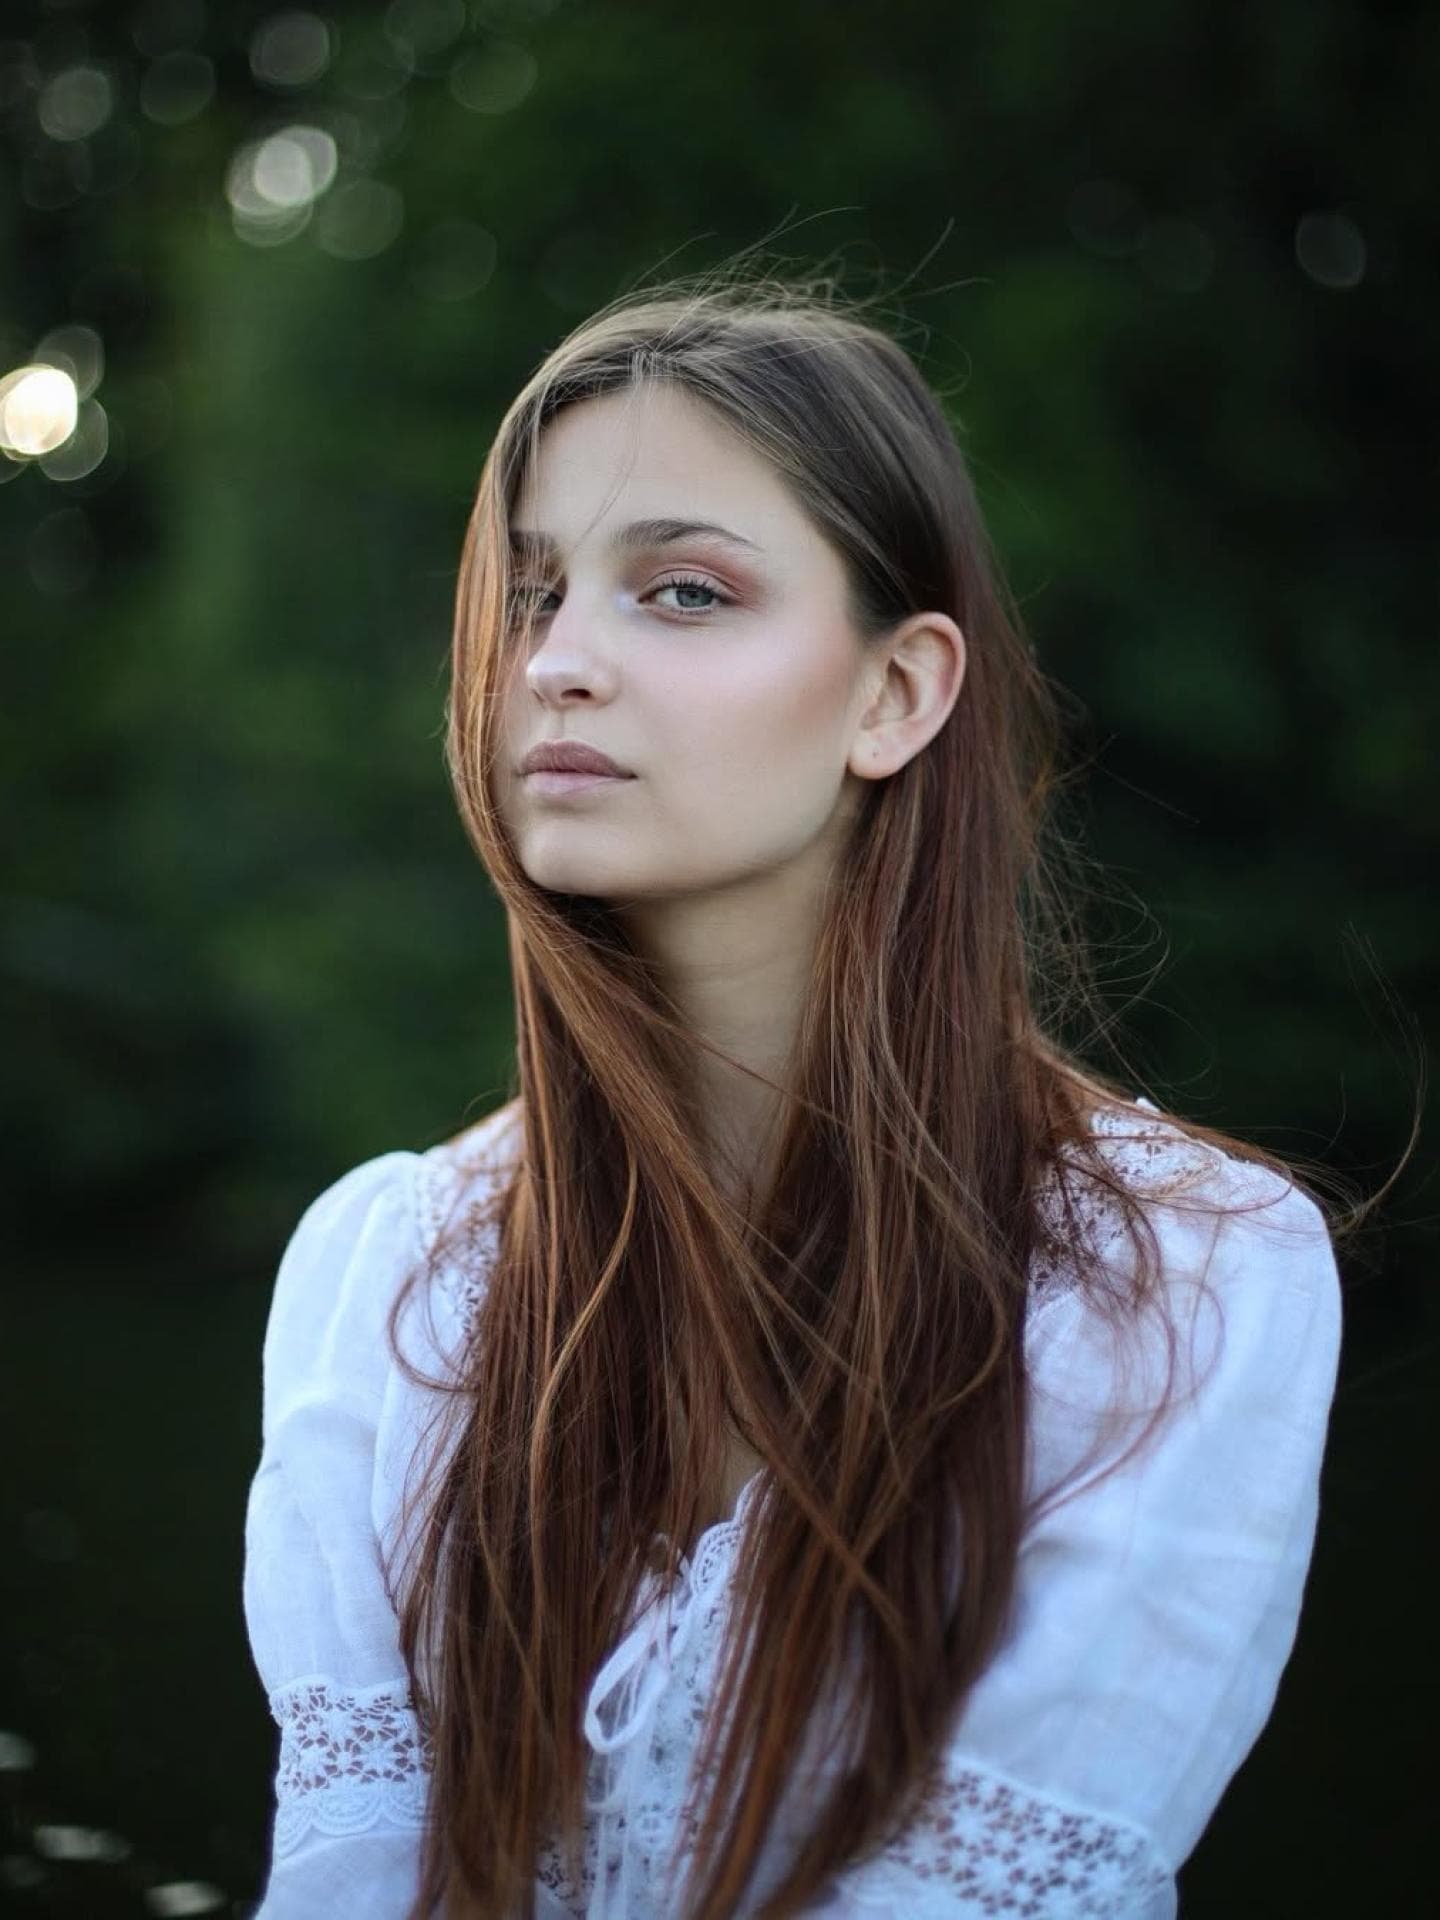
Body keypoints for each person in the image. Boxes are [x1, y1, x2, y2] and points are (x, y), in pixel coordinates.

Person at [242, 272, 1345, 1919]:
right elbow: (352, 1878)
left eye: (683, 591)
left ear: (897, 695)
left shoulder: (1181, 1280)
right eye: (531, 594)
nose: (557, 663)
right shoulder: (393, 1277)